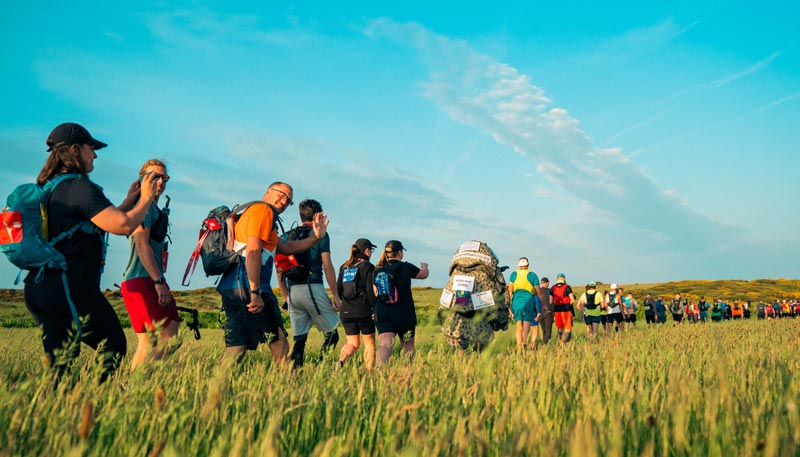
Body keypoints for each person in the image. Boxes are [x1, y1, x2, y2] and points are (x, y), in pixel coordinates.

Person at [23, 123, 157, 381]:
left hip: (40, 288)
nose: (95, 154)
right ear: (75, 150)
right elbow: (123, 226)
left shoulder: (52, 187)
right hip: (69, 286)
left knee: (61, 362)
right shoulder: (79, 187)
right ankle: (90, 398)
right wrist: (146, 199)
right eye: (91, 148)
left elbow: (96, 221)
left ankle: (59, 402)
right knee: (113, 345)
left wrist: (128, 203)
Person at [217, 182, 328, 364]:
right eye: (281, 195)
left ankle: (215, 382)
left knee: (236, 347)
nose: (284, 201)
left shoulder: (255, 213)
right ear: (268, 191)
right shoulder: (264, 211)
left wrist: (316, 237)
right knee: (279, 344)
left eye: (289, 200)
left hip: (231, 286)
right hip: (250, 286)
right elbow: (253, 251)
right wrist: (255, 292)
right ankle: (284, 382)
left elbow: (286, 247)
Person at [120, 159, 180, 370]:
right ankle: (138, 381)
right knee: (168, 338)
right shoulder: (143, 207)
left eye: (164, 178)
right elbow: (141, 243)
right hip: (144, 279)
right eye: (154, 176)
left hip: (142, 279)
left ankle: (138, 382)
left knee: (151, 341)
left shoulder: (151, 207)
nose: (160, 182)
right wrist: (158, 281)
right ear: (142, 179)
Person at [278, 199, 341, 368]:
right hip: (312, 287)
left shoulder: (287, 236)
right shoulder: (320, 235)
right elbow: (327, 265)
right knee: (332, 335)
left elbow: (280, 269)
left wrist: (285, 296)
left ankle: (295, 373)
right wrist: (335, 295)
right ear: (318, 215)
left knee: (299, 339)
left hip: (293, 291)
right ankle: (320, 369)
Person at [374, 240, 428, 367]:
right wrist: (425, 267)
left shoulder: (378, 270)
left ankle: (379, 371)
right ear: (400, 252)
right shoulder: (405, 267)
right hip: (404, 312)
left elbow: (375, 292)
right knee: (408, 346)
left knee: (385, 345)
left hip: (383, 312)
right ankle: (406, 373)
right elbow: (423, 275)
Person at [336, 238, 377, 370]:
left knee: (353, 343)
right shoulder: (368, 267)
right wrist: (374, 308)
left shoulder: (344, 267)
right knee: (369, 343)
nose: (371, 252)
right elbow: (370, 290)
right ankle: (369, 373)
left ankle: (341, 361)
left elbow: (339, 290)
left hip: (346, 311)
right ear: (366, 250)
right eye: (371, 250)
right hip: (363, 310)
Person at [506, 257, 540, 349]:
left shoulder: (514, 274)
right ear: (528, 265)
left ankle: (518, 346)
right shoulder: (532, 275)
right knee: (526, 325)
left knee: (518, 326)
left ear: (519, 265)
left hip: (516, 302)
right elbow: (538, 291)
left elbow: (510, 290)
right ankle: (525, 343)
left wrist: (509, 305)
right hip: (528, 301)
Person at [550, 273, 576, 343]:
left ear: (557, 279)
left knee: (560, 328)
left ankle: (560, 342)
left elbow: (550, 301)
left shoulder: (552, 287)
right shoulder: (567, 286)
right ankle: (565, 343)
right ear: (564, 279)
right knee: (567, 328)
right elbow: (572, 300)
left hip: (557, 311)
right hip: (566, 310)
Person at [536, 277, 554, 344]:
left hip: (540, 313)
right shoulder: (550, 291)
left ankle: (544, 345)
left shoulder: (537, 291)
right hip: (548, 312)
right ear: (547, 283)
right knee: (548, 332)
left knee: (544, 331)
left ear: (541, 283)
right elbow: (553, 302)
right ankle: (544, 344)